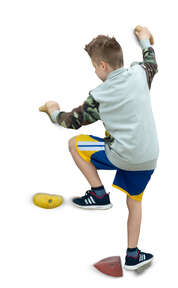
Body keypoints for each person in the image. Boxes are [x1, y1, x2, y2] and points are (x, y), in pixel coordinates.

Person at [42, 26, 159, 271]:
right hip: (148, 158)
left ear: (103, 66)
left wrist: (53, 110)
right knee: (134, 202)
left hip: (121, 155)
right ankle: (132, 255)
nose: (94, 71)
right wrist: (145, 40)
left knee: (75, 145)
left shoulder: (99, 96)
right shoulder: (141, 74)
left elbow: (71, 121)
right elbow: (151, 61)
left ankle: (98, 194)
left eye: (94, 66)